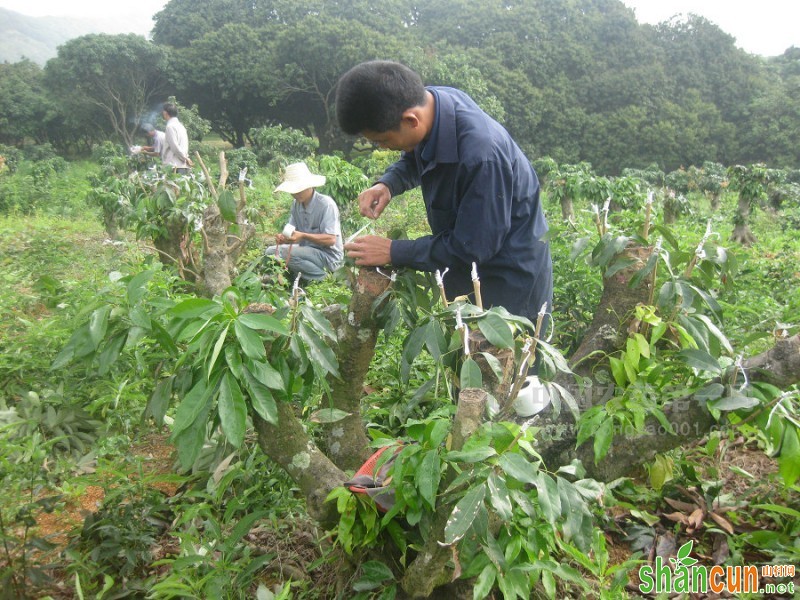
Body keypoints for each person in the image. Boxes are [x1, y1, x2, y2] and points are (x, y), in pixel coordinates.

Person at [335, 60, 553, 332]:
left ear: (411, 120)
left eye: (383, 141)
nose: (382, 147)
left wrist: (393, 250)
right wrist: (388, 184)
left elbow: (472, 248)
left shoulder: (483, 157)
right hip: (468, 273)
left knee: (505, 367)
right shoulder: (432, 104)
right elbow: (416, 153)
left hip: (507, 284)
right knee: (466, 358)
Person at [264, 162, 344, 282]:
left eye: (299, 188)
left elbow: (331, 240)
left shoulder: (326, 204)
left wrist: (303, 236)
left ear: (310, 185)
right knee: (270, 251)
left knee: (288, 254)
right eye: (293, 190)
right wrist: (283, 238)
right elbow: (290, 232)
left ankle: (323, 279)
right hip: (307, 251)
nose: (296, 193)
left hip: (329, 257)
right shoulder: (296, 205)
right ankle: (292, 278)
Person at [161, 102, 193, 174]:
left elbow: (174, 147)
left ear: (165, 113)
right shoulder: (181, 126)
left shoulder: (170, 127)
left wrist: (185, 158)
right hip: (182, 165)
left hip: (173, 166)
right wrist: (185, 158)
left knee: (172, 185)